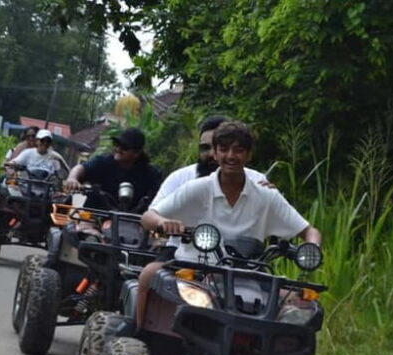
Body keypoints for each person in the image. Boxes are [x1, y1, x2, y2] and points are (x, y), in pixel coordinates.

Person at [137, 120, 322, 326]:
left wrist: (312, 249)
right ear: (215, 153)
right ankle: (138, 331)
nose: (231, 156)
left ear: (249, 155)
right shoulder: (196, 188)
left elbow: (309, 231)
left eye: (239, 150)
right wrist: (163, 222)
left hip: (249, 278)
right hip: (195, 274)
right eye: (224, 149)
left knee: (300, 309)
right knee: (150, 278)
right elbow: (148, 217)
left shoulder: (265, 194)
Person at [151, 115, 270, 261]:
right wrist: (162, 222)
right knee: (152, 272)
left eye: (218, 147)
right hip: (182, 251)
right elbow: (152, 215)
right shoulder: (180, 178)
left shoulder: (256, 180)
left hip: (241, 257)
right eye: (205, 148)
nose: (211, 154)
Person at [63, 127, 163, 211]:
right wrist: (72, 178)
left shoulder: (150, 174)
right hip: (95, 217)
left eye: (124, 147)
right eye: (117, 144)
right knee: (81, 223)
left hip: (133, 222)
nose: (118, 149)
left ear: (137, 153)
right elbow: (81, 168)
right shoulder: (103, 162)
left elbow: (161, 197)